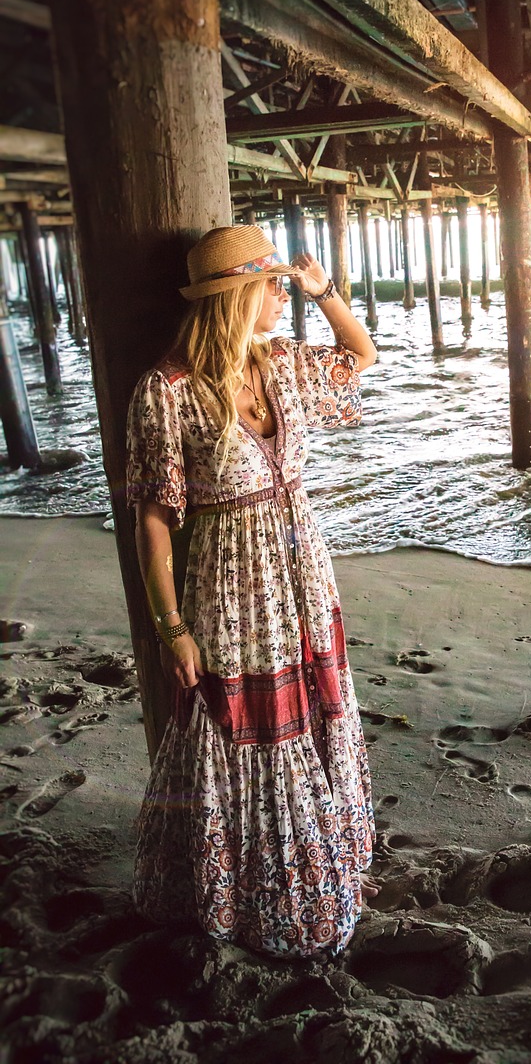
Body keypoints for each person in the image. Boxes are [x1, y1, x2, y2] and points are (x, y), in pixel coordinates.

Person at [126, 223, 378, 958]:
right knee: (249, 725)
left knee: (313, 706)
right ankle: (251, 891)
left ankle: (320, 852)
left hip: (301, 571)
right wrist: (171, 629)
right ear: (234, 296)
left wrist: (323, 291)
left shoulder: (282, 364)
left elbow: (359, 356)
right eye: (270, 284)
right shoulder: (165, 391)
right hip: (231, 587)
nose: (280, 293)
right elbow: (152, 519)